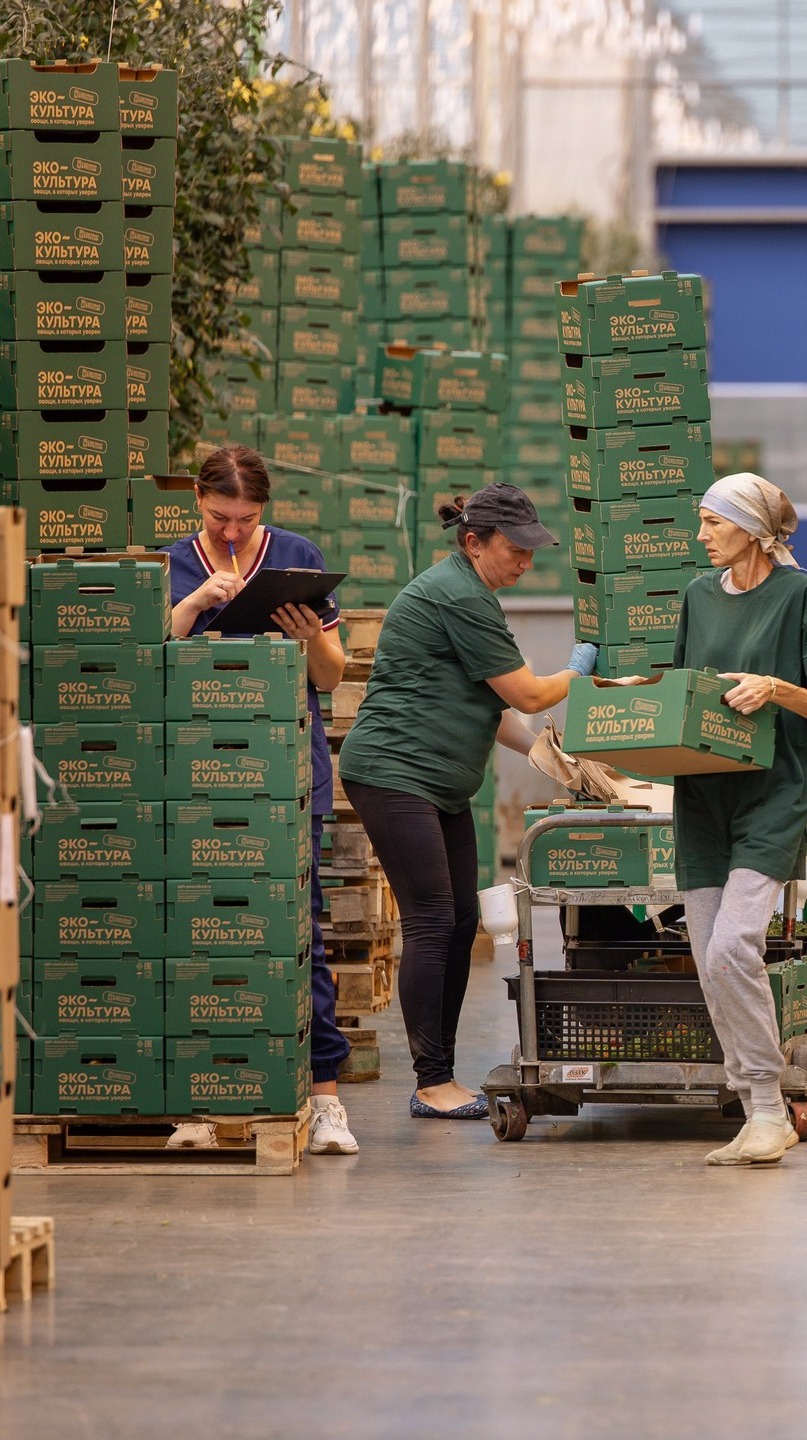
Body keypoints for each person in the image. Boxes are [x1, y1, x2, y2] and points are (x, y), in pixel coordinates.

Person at [335, 484, 598, 1119]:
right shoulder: (457, 594)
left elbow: (493, 706)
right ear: (475, 542)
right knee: (431, 922)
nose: (526, 563)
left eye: (534, 553)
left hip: (439, 782)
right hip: (397, 773)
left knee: (458, 922)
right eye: (517, 550)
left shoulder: (470, 591)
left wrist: (549, 760)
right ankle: (432, 1083)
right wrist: (580, 670)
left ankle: (440, 1074)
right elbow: (531, 693)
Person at [166, 444, 358, 1156]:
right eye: (219, 517)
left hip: (285, 773)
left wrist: (310, 639)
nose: (232, 534)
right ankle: (200, 1099)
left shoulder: (297, 558)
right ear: (197, 501)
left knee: (299, 929)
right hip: (196, 777)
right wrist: (192, 604)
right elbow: (151, 660)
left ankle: (326, 1095)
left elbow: (332, 678)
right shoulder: (173, 563)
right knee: (199, 935)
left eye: (246, 520)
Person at [672, 473, 807, 1167]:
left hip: (773, 797)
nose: (701, 534)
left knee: (732, 948)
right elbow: (686, 690)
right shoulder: (696, 596)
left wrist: (777, 689)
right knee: (707, 961)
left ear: (749, 529)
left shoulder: (799, 596)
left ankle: (771, 1106)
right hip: (702, 799)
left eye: (712, 522)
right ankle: (758, 1115)